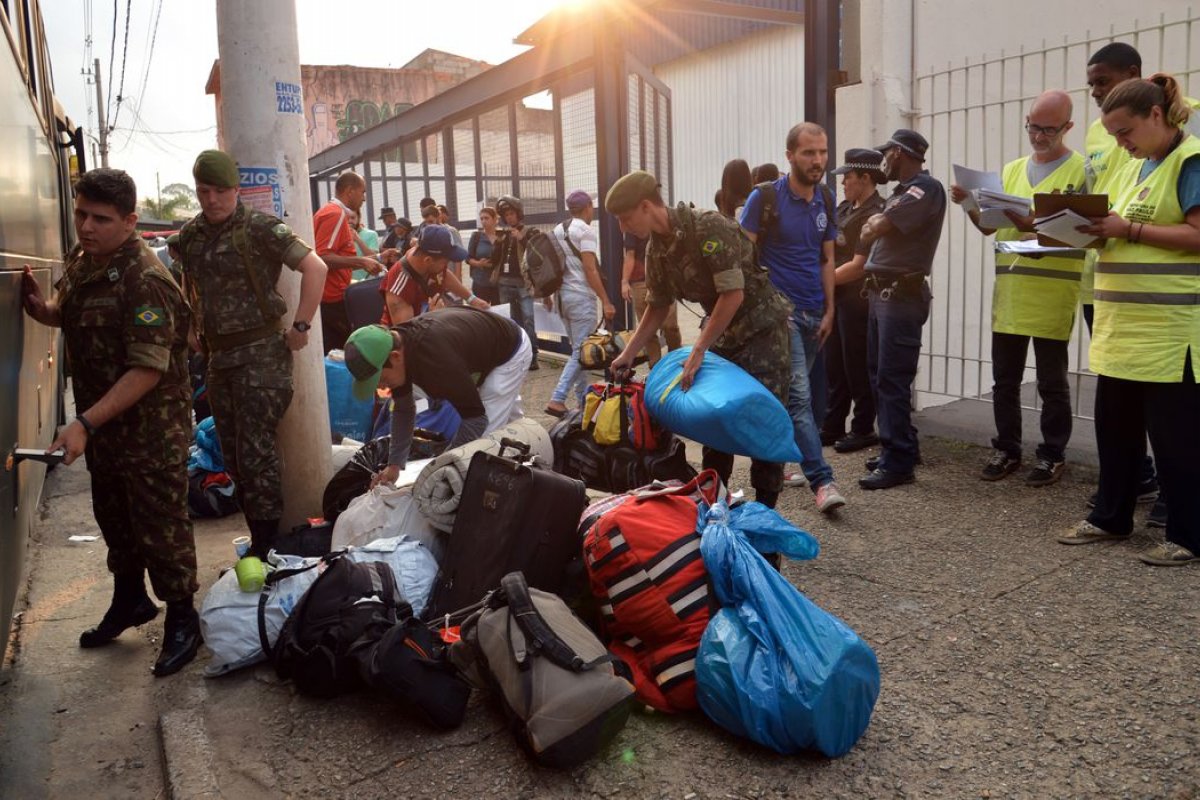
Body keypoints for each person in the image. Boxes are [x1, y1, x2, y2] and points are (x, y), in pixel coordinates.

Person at [20, 168, 200, 676]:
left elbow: (147, 369)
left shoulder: (147, 279)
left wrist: (83, 424)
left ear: (129, 221)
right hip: (105, 428)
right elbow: (75, 311)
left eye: (101, 218)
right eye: (81, 214)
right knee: (116, 521)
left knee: (160, 528)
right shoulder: (85, 260)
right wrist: (43, 310)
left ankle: (184, 619)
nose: (87, 226)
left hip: (150, 432)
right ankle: (129, 602)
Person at [1057, 74, 1200, 566]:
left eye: (1126, 132)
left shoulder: (1189, 160)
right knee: (1114, 430)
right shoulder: (1132, 167)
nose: (1120, 143)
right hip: (1123, 328)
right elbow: (1116, 227)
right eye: (1114, 134)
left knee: (1177, 440)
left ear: (1156, 116)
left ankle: (1188, 537)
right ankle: (1109, 517)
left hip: (1169, 333)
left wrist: (1129, 229)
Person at [605, 170, 794, 511]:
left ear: (646, 206)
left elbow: (732, 295)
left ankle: (766, 517)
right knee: (715, 424)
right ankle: (715, 508)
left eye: (625, 218)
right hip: (724, 333)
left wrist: (698, 350)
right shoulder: (657, 251)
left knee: (761, 425)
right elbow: (658, 306)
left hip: (762, 331)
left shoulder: (707, 227)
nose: (623, 227)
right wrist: (628, 354)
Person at [178, 149, 329, 558]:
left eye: (221, 190)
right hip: (218, 359)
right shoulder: (191, 236)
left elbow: (316, 268)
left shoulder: (260, 228)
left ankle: (266, 546)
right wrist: (192, 324)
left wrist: (301, 326)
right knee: (233, 456)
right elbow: (184, 278)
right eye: (204, 190)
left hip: (261, 355)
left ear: (236, 189)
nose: (212, 199)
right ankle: (258, 537)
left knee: (256, 452)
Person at [949, 90, 1084, 487]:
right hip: (1009, 291)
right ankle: (1006, 448)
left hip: (1053, 292)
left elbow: (1082, 233)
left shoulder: (1081, 171)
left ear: (1067, 127)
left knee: (1051, 382)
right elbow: (990, 227)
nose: (1039, 136)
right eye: (1033, 126)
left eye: (1048, 129)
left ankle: (1051, 455)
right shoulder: (1011, 169)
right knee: (1005, 379)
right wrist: (970, 204)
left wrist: (1036, 226)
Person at [740, 122, 846, 514]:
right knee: (800, 399)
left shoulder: (827, 199)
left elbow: (827, 258)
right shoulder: (764, 198)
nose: (818, 160)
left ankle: (778, 470)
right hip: (779, 316)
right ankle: (823, 480)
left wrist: (830, 309)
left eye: (822, 152)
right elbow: (742, 258)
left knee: (791, 401)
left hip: (814, 312)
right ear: (790, 155)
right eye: (808, 153)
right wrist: (763, 306)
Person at [345, 307, 531, 487]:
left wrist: (440, 467)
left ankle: (490, 494)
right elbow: (403, 409)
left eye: (382, 379)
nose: (382, 387)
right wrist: (394, 465)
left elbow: (476, 420)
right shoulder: (396, 344)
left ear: (395, 357)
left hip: (510, 349)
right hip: (484, 344)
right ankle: (531, 450)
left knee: (484, 441)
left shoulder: (436, 360)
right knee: (506, 423)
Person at [857, 129, 947, 490]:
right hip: (882, 295)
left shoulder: (925, 188)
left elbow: (875, 226)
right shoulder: (900, 194)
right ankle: (898, 446)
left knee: (892, 379)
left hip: (901, 295)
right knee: (880, 375)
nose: (883, 160)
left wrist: (880, 223)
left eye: (887, 153)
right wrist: (878, 224)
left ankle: (899, 462)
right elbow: (868, 230)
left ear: (899, 153)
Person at [821, 147, 886, 453]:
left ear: (865, 177)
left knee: (858, 366)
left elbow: (859, 266)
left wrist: (818, 281)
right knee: (835, 365)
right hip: (837, 297)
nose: (843, 183)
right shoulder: (845, 208)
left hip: (858, 300)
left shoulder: (875, 214)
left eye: (848, 177)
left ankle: (862, 428)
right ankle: (833, 426)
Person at [545, 190, 616, 417]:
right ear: (588, 207)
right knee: (581, 352)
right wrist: (605, 300)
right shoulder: (585, 231)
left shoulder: (558, 229)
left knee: (579, 352)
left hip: (562, 299)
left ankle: (583, 404)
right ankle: (557, 398)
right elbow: (590, 268)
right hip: (580, 298)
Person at [313, 171, 384, 352]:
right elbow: (323, 257)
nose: (364, 198)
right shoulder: (334, 214)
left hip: (329, 297)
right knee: (353, 351)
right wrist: (361, 262)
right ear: (350, 191)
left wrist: (376, 258)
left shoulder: (330, 211)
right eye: (363, 192)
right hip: (333, 299)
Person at [379, 223, 489, 325]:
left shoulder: (425, 258)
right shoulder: (399, 289)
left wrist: (472, 299)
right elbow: (406, 336)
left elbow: (444, 275)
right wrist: (432, 317)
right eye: (445, 262)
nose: (446, 266)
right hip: (414, 335)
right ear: (428, 260)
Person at [492, 195, 540, 369]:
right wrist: (497, 243)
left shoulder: (531, 230)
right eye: (506, 215)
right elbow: (494, 260)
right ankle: (515, 356)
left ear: (518, 214)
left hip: (523, 283)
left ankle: (533, 356)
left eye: (511, 214)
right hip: (504, 282)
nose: (509, 218)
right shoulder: (503, 234)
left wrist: (521, 238)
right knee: (510, 321)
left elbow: (537, 254)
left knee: (528, 319)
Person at [621, 229, 681, 366]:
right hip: (640, 281)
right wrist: (624, 281)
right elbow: (630, 254)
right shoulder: (633, 226)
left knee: (670, 326)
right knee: (646, 329)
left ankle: (675, 360)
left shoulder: (664, 222)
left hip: (664, 280)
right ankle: (655, 366)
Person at [466, 206, 501, 305]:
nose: (484, 221)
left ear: (495, 219)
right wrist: (478, 263)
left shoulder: (502, 237)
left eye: (486, 218)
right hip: (480, 281)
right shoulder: (476, 237)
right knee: (481, 311)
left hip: (498, 283)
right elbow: (468, 258)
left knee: (498, 311)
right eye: (481, 219)